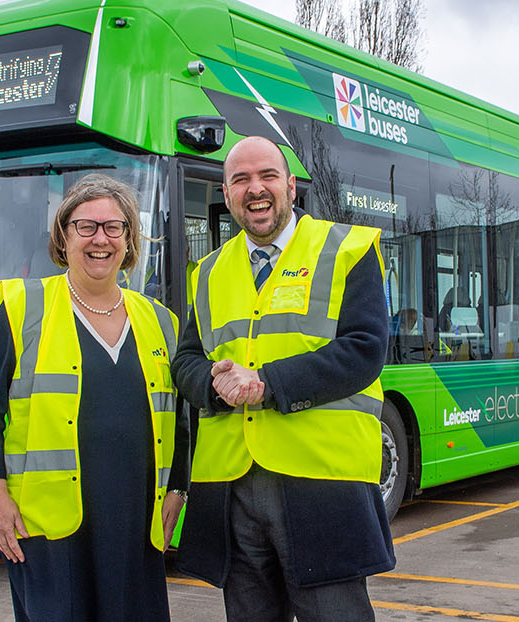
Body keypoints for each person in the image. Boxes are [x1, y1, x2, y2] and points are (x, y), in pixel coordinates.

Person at [172, 136, 395, 621]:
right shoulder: (207, 272)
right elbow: (185, 361)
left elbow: (365, 351)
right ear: (227, 195)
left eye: (267, 176)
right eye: (241, 180)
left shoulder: (347, 249)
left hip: (322, 481)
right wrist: (214, 381)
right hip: (233, 485)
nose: (256, 189)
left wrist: (267, 383)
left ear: (291, 186)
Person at [0, 173, 189, 621]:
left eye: (113, 227)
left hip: (134, 518)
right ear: (63, 236)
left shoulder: (160, 321)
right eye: (86, 226)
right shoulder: (23, 308)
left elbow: (180, 418)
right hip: (50, 525)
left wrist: (178, 491)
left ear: (128, 239)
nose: (100, 239)